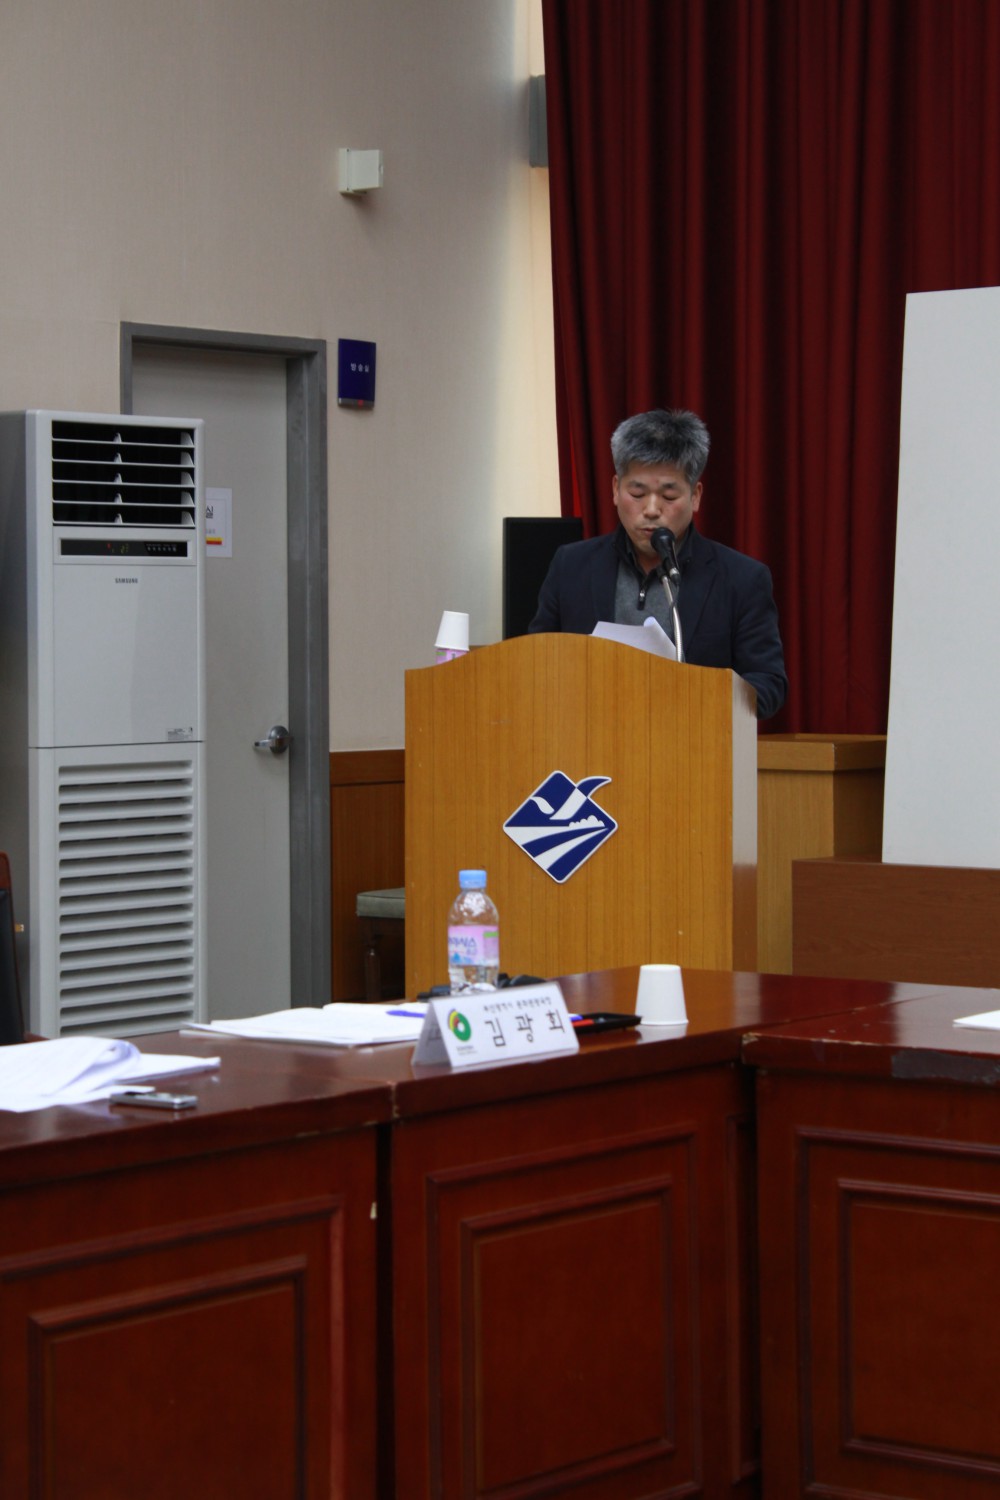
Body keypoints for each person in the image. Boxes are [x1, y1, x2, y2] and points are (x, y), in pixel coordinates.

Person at [528, 408, 787, 719]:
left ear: (695, 496)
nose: (651, 509)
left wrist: (694, 697)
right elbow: (535, 664)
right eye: (637, 493)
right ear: (615, 489)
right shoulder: (571, 566)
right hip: (588, 740)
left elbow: (768, 684)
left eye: (669, 496)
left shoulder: (741, 578)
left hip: (692, 741)